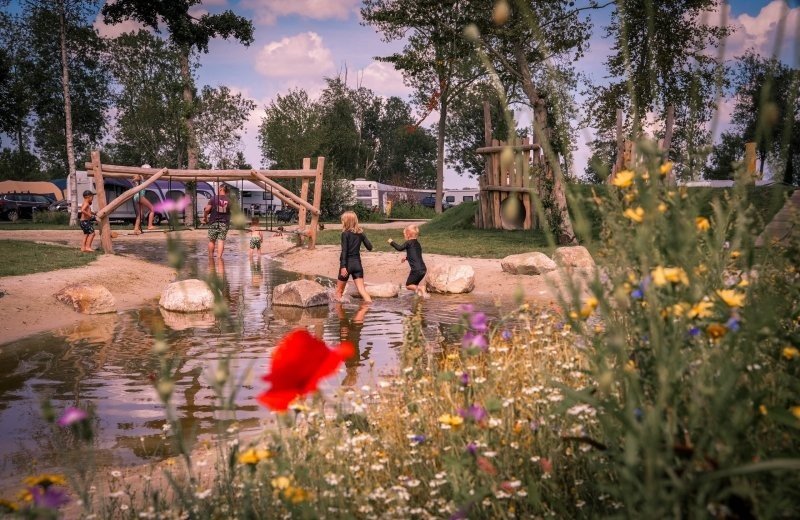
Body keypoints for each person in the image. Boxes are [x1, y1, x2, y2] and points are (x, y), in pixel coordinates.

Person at [335, 211, 373, 302]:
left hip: (347, 265)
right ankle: (369, 307)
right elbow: (370, 247)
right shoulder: (360, 233)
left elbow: (344, 251)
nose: (342, 222)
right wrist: (363, 235)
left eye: (343, 220)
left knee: (339, 292)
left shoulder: (345, 234)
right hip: (357, 265)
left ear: (346, 221)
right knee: (362, 291)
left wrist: (343, 266)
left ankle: (341, 316)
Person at [388, 224, 428, 297]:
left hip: (416, 270)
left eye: (404, 234)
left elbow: (399, 248)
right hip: (423, 269)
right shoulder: (417, 243)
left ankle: (421, 288)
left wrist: (391, 242)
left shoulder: (408, 243)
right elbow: (415, 254)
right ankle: (419, 300)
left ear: (408, 234)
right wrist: (406, 258)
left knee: (408, 285)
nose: (404, 236)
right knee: (414, 285)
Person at [203, 184, 231, 258]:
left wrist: (205, 217)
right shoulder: (229, 200)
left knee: (212, 240)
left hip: (213, 222)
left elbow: (207, 209)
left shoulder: (214, 198)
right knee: (221, 241)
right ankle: (219, 258)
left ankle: (211, 258)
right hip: (224, 223)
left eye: (218, 188)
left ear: (221, 189)